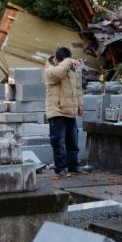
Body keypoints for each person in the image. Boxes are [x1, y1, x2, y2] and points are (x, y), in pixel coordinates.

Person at [45, 47, 84, 176]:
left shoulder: (72, 71)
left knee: (73, 143)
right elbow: (58, 73)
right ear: (58, 59)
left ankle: (73, 167)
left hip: (70, 112)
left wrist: (80, 105)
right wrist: (68, 61)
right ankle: (60, 169)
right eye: (66, 60)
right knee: (58, 143)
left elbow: (77, 89)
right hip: (57, 112)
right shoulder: (49, 70)